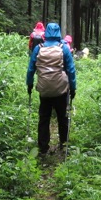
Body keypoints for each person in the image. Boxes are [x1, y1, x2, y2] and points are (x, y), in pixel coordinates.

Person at [26, 22, 76, 154]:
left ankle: (43, 147)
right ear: (59, 32)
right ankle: (63, 144)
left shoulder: (38, 48)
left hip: (44, 89)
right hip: (61, 89)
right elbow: (71, 70)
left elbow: (31, 69)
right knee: (62, 117)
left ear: (46, 33)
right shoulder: (64, 48)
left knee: (44, 118)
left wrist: (29, 84)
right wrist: (73, 88)